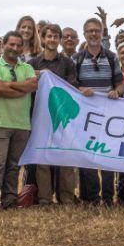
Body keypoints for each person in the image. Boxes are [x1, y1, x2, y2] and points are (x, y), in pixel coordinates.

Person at [0, 31, 37, 211]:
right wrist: (21, 90)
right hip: (0, 122)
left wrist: (9, 86)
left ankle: (9, 200)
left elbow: (33, 85)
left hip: (22, 123)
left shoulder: (27, 67)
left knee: (14, 166)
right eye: (11, 44)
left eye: (18, 45)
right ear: (3, 44)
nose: (14, 48)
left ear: (22, 47)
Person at [73, 18, 123, 204]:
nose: (94, 34)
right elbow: (72, 86)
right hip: (85, 117)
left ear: (102, 34)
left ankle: (108, 197)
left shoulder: (111, 57)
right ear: (85, 34)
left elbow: (119, 83)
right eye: (90, 31)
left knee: (107, 155)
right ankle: (91, 197)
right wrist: (80, 90)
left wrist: (116, 92)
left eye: (97, 31)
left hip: (108, 115)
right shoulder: (76, 59)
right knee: (88, 156)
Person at [29, 23, 78, 206]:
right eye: (48, 36)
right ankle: (44, 198)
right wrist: (40, 73)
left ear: (59, 40)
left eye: (55, 37)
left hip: (63, 118)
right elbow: (27, 81)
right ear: (43, 38)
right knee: (43, 159)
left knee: (66, 157)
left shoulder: (67, 62)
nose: (52, 40)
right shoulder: (33, 62)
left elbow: (72, 86)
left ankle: (66, 197)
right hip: (40, 117)